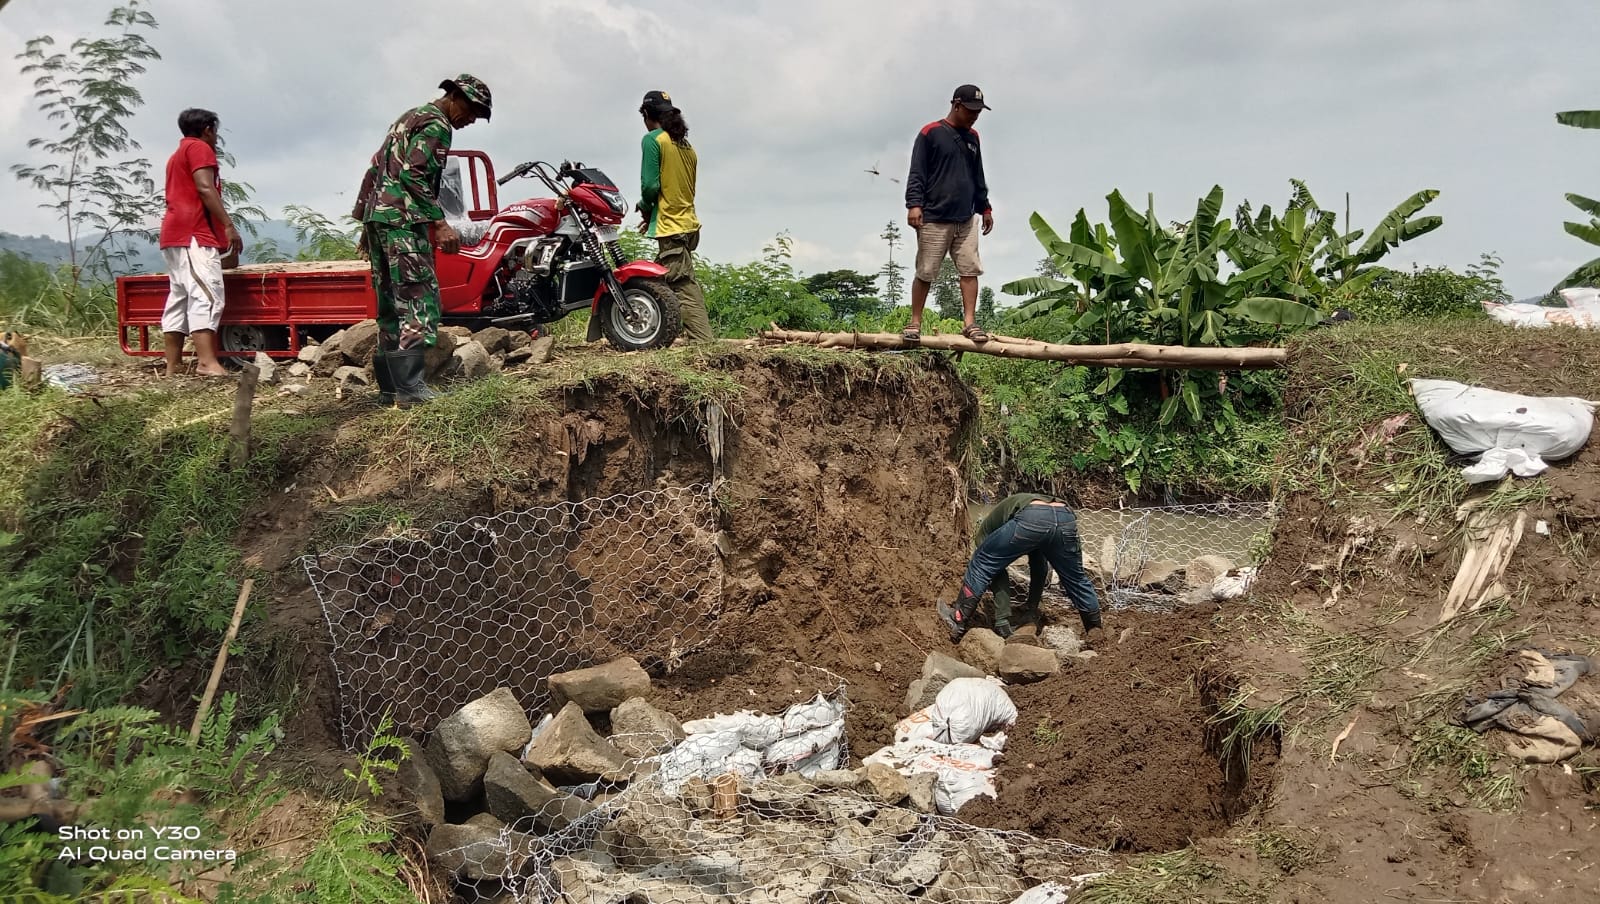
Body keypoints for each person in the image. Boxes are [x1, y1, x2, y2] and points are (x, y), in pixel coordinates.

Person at [353, 74, 491, 407]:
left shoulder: (408, 117)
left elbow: (376, 168)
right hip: (403, 222)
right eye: (472, 110)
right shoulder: (437, 125)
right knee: (420, 301)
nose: (471, 120)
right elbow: (413, 174)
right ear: (455, 96)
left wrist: (365, 222)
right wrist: (440, 223)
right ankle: (410, 389)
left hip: (380, 220)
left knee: (388, 305)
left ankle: (388, 390)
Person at [937, 492, 1104, 643]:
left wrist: (1002, 618)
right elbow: (1040, 567)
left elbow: (993, 570)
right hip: (1065, 516)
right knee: (1076, 578)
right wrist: (1031, 608)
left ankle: (957, 619)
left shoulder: (985, 531)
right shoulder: (1025, 506)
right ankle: (1095, 632)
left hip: (1033, 516)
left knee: (981, 563)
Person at [903, 84, 994, 345]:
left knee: (970, 269)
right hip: (934, 216)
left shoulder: (973, 137)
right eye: (970, 110)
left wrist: (984, 207)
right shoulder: (930, 133)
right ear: (956, 105)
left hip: (965, 217)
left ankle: (970, 323)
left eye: (978, 112)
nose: (974, 116)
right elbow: (917, 172)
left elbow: (978, 176)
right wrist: (914, 204)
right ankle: (915, 322)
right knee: (926, 270)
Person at [159, 108, 243, 378]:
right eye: (215, 131)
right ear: (207, 129)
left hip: (174, 233)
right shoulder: (199, 148)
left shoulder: (175, 156)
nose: (216, 137)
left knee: (179, 297)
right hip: (193, 233)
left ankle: (173, 367)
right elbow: (205, 188)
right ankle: (207, 362)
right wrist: (228, 226)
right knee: (207, 294)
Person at [636, 90, 712, 343]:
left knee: (682, 286)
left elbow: (650, 187)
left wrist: (644, 206)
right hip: (689, 225)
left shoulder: (653, 140)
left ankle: (703, 342)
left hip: (671, 226)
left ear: (647, 114)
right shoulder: (686, 146)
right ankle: (658, 333)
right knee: (658, 280)